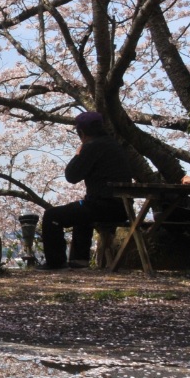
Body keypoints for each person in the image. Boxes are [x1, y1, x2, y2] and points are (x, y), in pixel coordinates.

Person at [38, 111, 133, 270]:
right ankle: (79, 261)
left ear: (81, 132)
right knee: (82, 208)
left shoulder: (92, 146)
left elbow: (71, 176)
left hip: (104, 207)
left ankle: (56, 263)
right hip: (122, 207)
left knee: (52, 216)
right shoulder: (113, 144)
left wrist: (78, 154)